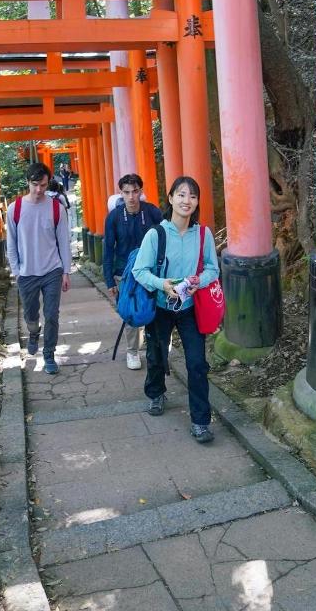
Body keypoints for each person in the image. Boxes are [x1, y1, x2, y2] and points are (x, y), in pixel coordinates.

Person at [131, 176, 219, 443]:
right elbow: (139, 271)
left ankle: (200, 422)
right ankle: (156, 392)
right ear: (170, 198)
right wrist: (162, 284)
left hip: (190, 307)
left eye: (192, 196)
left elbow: (213, 269)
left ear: (197, 202)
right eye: (181, 195)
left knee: (197, 363)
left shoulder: (203, 234)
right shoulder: (156, 234)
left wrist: (198, 281)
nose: (186, 201)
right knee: (157, 355)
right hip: (161, 306)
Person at [6, 163, 71, 374]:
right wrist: (16, 272)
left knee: (52, 314)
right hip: (27, 273)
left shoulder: (56, 208)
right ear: (28, 182)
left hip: (52, 270)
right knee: (31, 315)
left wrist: (66, 271)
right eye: (35, 184)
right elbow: (11, 244)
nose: (39, 189)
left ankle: (49, 354)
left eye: (43, 185)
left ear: (48, 183)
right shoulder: (14, 209)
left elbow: (64, 241)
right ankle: (34, 332)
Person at [103, 174, 163, 370]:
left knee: (155, 309)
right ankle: (132, 351)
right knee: (132, 311)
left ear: (140, 192)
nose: (131, 197)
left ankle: (157, 350)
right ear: (121, 193)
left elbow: (165, 238)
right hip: (124, 272)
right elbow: (108, 249)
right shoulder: (114, 217)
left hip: (151, 271)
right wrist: (109, 280)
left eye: (135, 191)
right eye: (126, 192)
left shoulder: (152, 212)